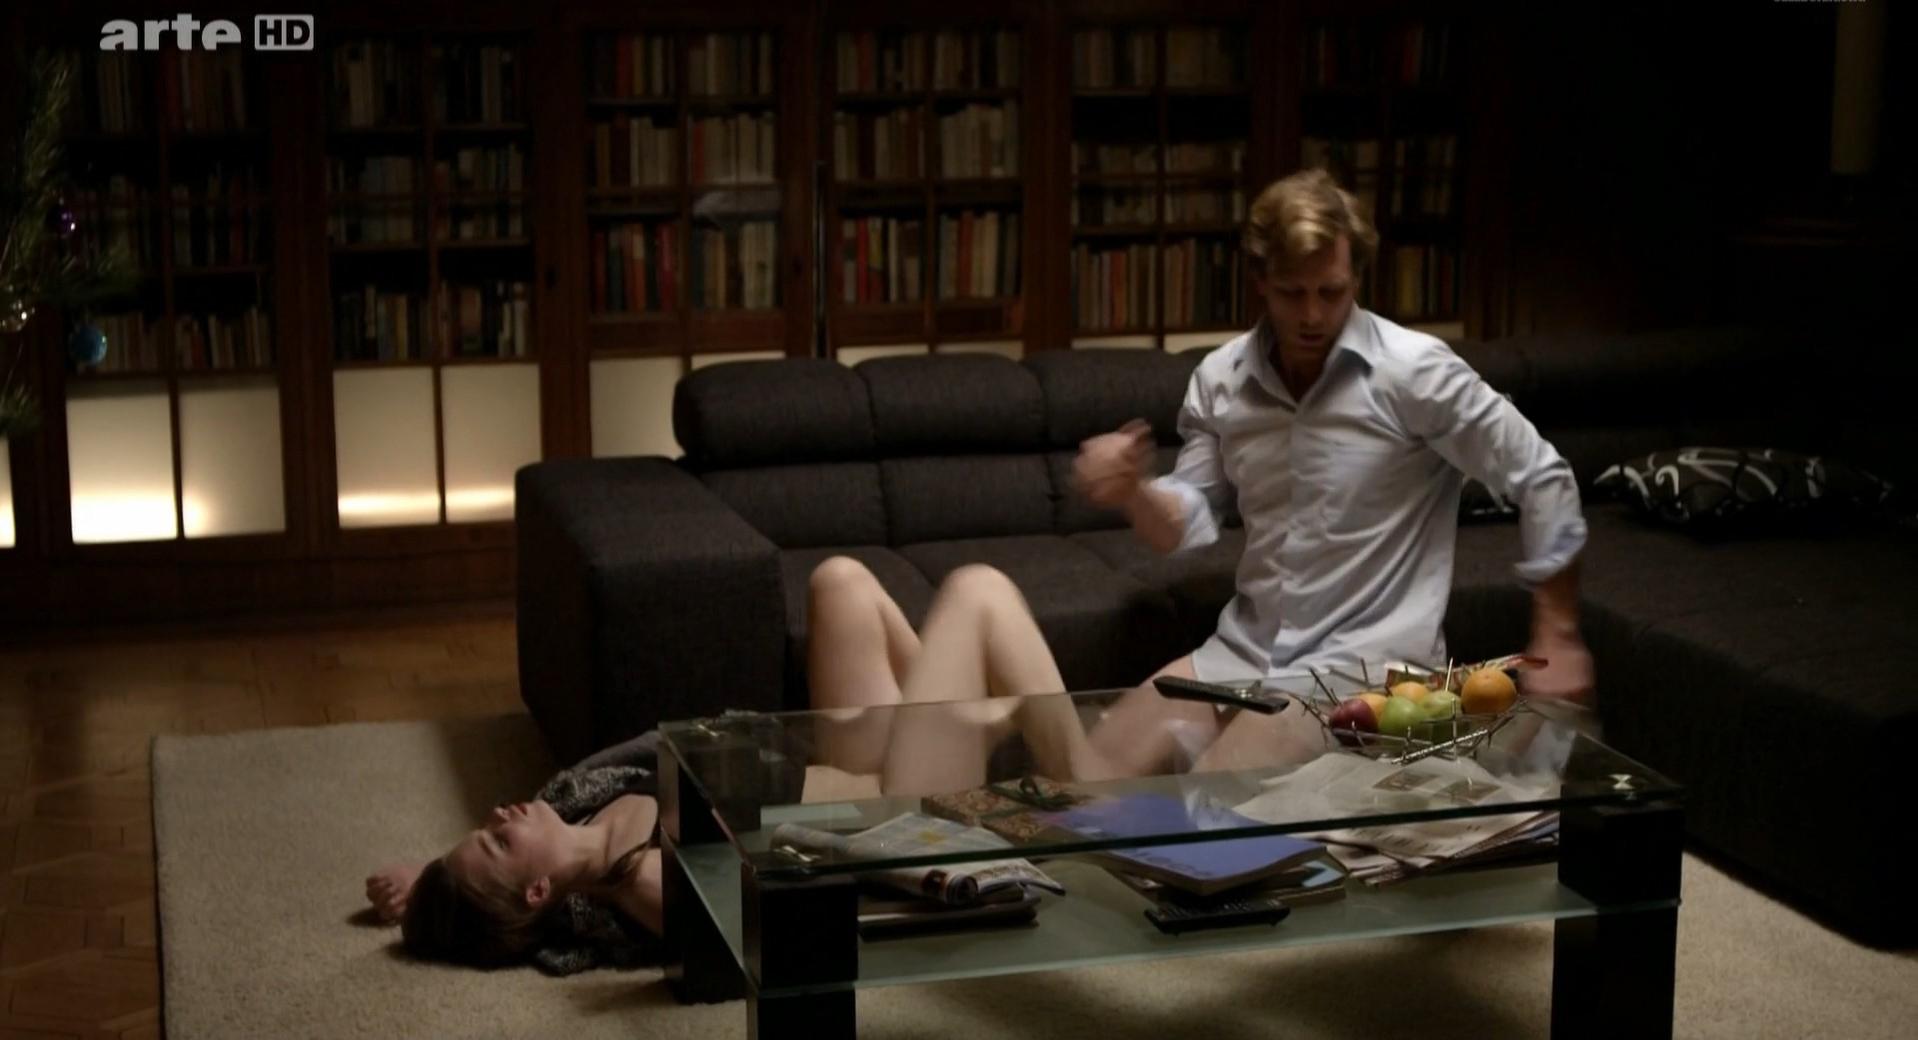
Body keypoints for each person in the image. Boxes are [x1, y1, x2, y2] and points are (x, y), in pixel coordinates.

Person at [1065, 167, 1595, 774]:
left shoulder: (1415, 372)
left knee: (1208, 802)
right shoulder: (1220, 380)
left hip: (1361, 670)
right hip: (1242, 653)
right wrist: (1133, 492)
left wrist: (1559, 632)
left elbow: (1542, 475)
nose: (1313, 314)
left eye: (1332, 292)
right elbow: (1186, 522)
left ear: (1356, 278)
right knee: (1085, 782)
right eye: (1293, 293)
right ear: (1261, 282)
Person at [364, 558, 1079, 973]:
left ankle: (977, 724)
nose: (499, 814)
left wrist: (427, 881)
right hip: (890, 807)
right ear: (538, 891)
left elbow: (485, 892)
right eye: (498, 839)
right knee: (976, 592)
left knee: (840, 581)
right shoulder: (636, 886)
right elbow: (771, 931)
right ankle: (1091, 777)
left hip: (833, 760)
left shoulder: (570, 802)